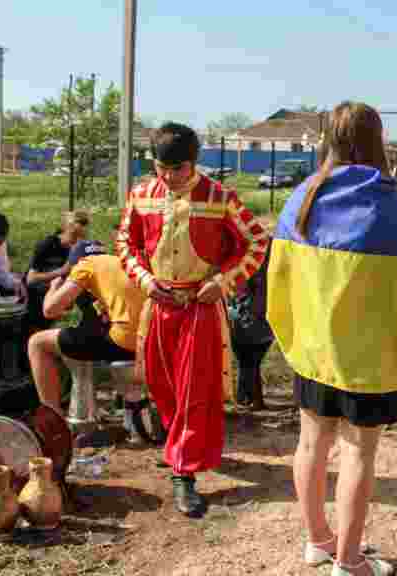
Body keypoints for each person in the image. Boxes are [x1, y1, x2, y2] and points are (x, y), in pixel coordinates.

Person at [267, 102, 397, 576]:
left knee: (311, 445)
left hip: (314, 351)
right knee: (358, 451)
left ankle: (319, 541)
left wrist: (295, 334)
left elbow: (278, 277)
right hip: (368, 357)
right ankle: (349, 561)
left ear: (328, 140)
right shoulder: (394, 202)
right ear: (378, 140)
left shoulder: (303, 196)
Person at [116, 122, 269, 518]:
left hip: (200, 307)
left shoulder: (220, 197)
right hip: (158, 303)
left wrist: (223, 281)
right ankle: (180, 445)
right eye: (161, 168)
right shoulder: (140, 196)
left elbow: (256, 242)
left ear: (194, 163)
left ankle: (183, 472)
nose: (169, 177)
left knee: (194, 390)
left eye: (178, 169)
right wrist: (145, 280)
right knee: (161, 384)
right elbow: (125, 244)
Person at [28, 240, 145, 418]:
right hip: (147, 339)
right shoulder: (119, 263)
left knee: (37, 343)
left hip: (123, 341)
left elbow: (50, 310)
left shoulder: (85, 265)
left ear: (74, 263)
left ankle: (53, 417)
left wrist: (53, 288)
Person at [24, 211, 89, 333]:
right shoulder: (48, 244)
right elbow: (30, 279)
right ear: (65, 229)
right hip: (35, 295)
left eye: (81, 237)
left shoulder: (80, 249)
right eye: (74, 235)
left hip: (57, 293)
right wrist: (61, 271)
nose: (77, 241)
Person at [227, 242, 274, 410]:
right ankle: (252, 399)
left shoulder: (245, 252)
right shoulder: (273, 246)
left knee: (247, 360)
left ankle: (247, 400)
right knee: (252, 361)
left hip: (249, 316)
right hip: (268, 316)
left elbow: (237, 287)